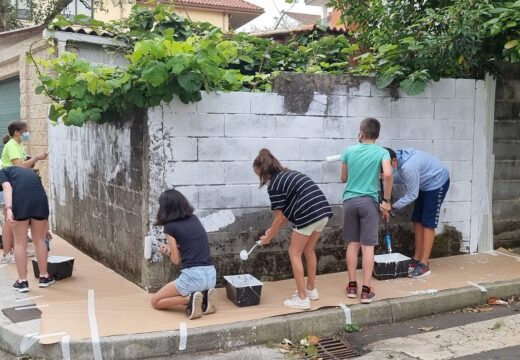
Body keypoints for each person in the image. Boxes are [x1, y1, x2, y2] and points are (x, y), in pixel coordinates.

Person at [254, 148, 333, 310]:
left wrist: (268, 238)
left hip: (308, 212)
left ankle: (302, 298)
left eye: (258, 175)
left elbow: (280, 218)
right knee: (309, 249)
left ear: (263, 172)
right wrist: (271, 231)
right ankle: (311, 290)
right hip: (322, 210)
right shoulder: (289, 174)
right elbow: (282, 218)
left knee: (294, 252)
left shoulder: (274, 185)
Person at [341, 118, 392, 304]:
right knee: (367, 246)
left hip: (350, 201)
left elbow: (343, 177)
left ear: (361, 132)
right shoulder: (382, 152)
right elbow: (388, 174)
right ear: (377, 135)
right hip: (369, 202)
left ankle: (352, 287)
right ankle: (366, 291)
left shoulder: (348, 151)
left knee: (352, 244)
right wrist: (386, 200)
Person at [150, 189, 217, 320]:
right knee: (200, 284)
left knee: (155, 302)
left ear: (165, 207)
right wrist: (171, 246)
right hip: (211, 275)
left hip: (193, 278)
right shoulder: (194, 219)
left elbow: (175, 260)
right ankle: (205, 296)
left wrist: (167, 251)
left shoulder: (169, 227)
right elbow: (190, 242)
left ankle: (188, 299)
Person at [384, 148, 450, 278]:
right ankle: (417, 258)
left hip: (437, 182)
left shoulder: (409, 167)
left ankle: (424, 264)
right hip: (423, 184)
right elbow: (398, 177)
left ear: (393, 161)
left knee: (428, 222)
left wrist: (391, 206)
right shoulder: (396, 159)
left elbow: (412, 194)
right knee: (417, 219)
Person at [0, 166, 55, 292]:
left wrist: (8, 209)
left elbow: (7, 188)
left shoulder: (3, 172)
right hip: (40, 201)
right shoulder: (27, 173)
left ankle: (22, 281)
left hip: (20, 201)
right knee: (40, 240)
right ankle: (44, 277)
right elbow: (38, 191)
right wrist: (44, 229)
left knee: (20, 243)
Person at [0, 121, 47, 265]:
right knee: (10, 220)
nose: (28, 133)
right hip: (9, 185)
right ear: (17, 132)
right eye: (25, 130)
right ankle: (8, 253)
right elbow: (19, 166)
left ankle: (15, 250)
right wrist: (37, 158)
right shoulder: (12, 145)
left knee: (13, 220)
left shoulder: (18, 144)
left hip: (16, 185)